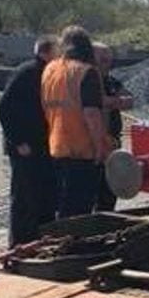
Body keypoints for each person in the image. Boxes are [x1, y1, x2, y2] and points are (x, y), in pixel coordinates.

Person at [42, 26, 110, 217]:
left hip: (56, 146)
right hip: (82, 150)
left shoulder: (50, 70)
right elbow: (92, 115)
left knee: (64, 206)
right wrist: (99, 148)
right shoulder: (86, 72)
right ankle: (76, 245)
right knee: (79, 210)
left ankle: (61, 240)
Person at [0, 35, 58, 246]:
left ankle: (39, 239)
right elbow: (4, 107)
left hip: (41, 145)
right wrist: (17, 140)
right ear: (46, 51)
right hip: (25, 146)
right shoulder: (28, 72)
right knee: (24, 196)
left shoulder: (47, 72)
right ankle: (20, 243)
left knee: (43, 193)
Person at [92, 42, 134, 211]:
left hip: (114, 142)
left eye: (109, 60)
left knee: (110, 189)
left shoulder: (111, 81)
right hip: (94, 143)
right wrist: (114, 102)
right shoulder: (86, 82)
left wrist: (110, 102)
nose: (106, 63)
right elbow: (96, 103)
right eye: (102, 59)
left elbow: (129, 100)